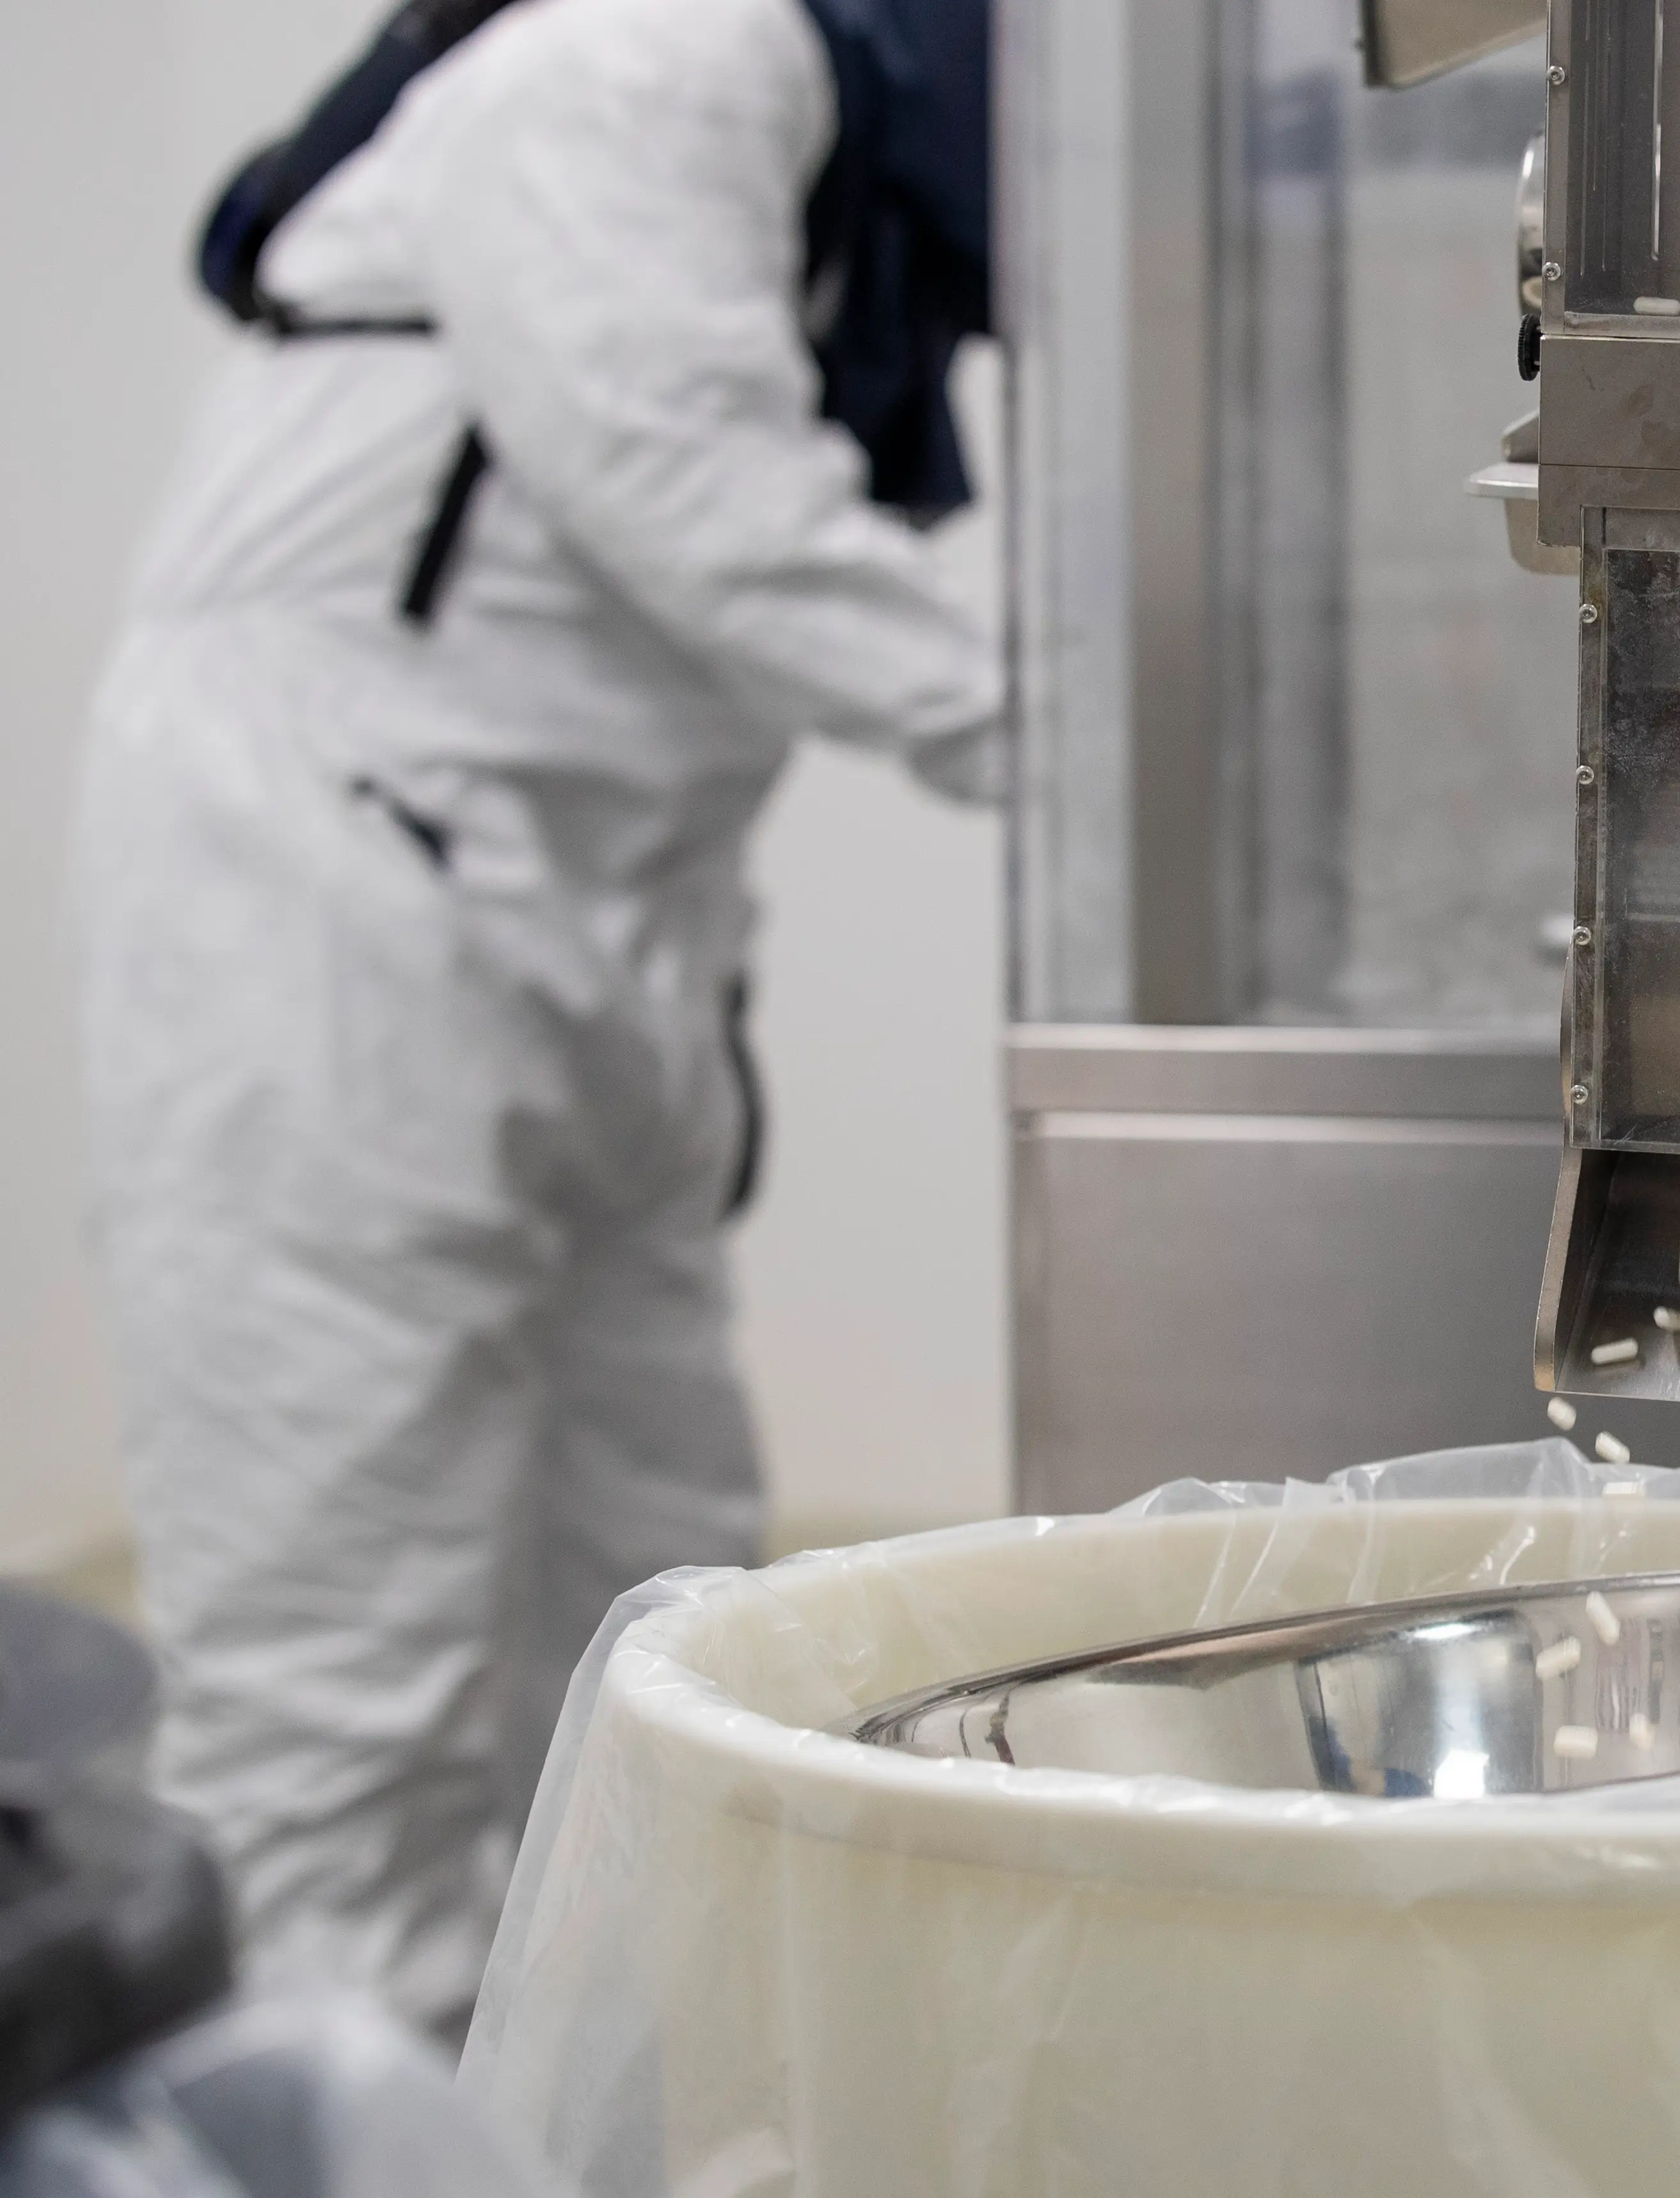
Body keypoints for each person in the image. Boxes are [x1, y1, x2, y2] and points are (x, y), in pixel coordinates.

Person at [72, 0, 998, 2041]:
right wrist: (1118, 744)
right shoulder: (651, 49)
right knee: (343, 1699)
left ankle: (590, 2127)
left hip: (594, 944)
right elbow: (691, 488)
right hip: (326, 924)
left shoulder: (843, 157)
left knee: (645, 1641)